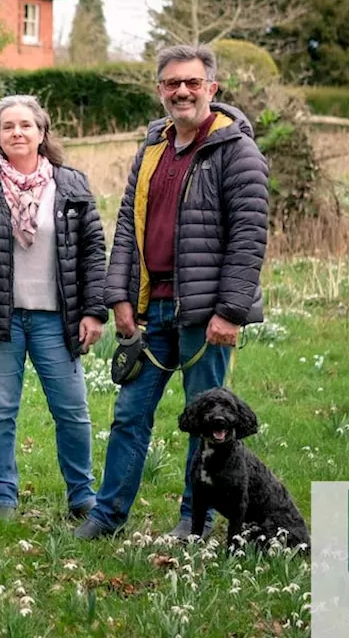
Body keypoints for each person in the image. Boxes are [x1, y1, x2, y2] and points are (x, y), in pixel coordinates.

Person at [76, 43, 269, 541]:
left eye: (192, 82)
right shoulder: (152, 150)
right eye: (171, 83)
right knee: (128, 415)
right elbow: (126, 228)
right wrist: (118, 296)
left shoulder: (236, 150)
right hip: (152, 311)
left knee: (208, 423)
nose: (181, 91)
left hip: (205, 315)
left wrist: (230, 311)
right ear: (159, 89)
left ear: (212, 88)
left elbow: (249, 238)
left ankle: (193, 520)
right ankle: (107, 515)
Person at [0, 95, 106, 520]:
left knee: (72, 408)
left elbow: (93, 250)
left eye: (25, 126)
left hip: (58, 318)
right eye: (8, 127)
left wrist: (95, 309)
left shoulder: (71, 185)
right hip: (2, 320)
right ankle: (3, 495)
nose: (17, 133)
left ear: (41, 133)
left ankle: (82, 494)